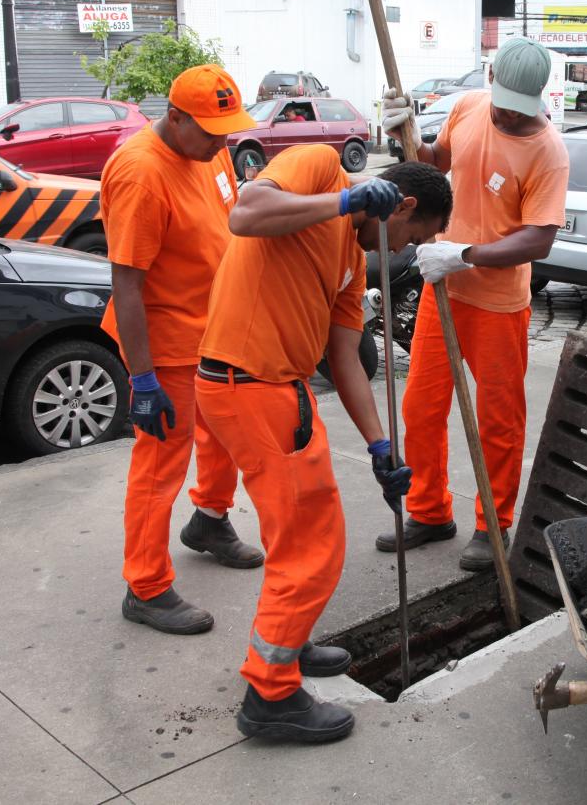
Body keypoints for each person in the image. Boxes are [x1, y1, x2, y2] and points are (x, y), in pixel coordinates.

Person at [195, 145, 452, 743]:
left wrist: (380, 445)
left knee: (306, 532)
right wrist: (345, 199)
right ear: (402, 205)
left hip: (281, 390)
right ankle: (271, 694)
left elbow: (344, 358)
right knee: (312, 546)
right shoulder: (319, 168)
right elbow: (245, 214)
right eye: (412, 238)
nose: (406, 253)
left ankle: (291, 637)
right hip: (246, 384)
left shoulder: (352, 263)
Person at [376, 36, 570, 571]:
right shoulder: (468, 108)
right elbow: (436, 163)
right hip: (446, 292)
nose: (508, 115)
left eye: (520, 108)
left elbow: (539, 240)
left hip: (498, 303)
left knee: (498, 421)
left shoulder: (548, 151)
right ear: (491, 78)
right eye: (503, 101)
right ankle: (430, 510)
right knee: (420, 407)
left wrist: (463, 253)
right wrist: (403, 134)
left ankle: (494, 523)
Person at [102, 64, 264, 637]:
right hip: (165, 341)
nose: (223, 142)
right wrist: (142, 379)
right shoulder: (142, 174)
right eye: (211, 130)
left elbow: (231, 219)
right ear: (174, 117)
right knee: (159, 462)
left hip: (217, 325)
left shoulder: (210, 149)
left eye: (227, 129)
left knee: (223, 432)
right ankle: (145, 586)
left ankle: (210, 520)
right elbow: (127, 283)